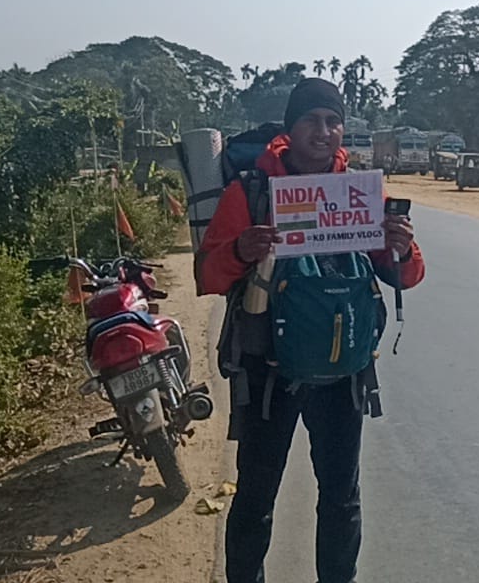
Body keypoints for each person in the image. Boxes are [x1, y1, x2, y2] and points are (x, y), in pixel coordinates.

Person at [197, 77, 426, 583]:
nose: (323, 132)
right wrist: (241, 251)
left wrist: (401, 247)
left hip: (342, 373)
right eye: (311, 121)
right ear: (290, 128)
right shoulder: (252, 192)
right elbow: (208, 276)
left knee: (342, 498)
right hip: (266, 376)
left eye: (332, 122)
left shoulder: (362, 192)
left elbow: (405, 275)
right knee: (255, 497)